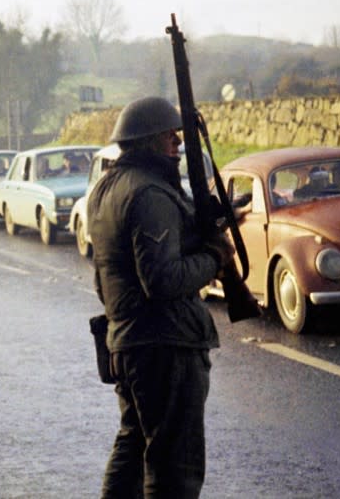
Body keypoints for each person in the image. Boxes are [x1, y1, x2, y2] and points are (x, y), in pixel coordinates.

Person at [88, 96, 232, 498]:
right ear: (147, 139)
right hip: (166, 345)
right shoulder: (148, 193)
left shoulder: (106, 189)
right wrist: (213, 257)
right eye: (169, 135)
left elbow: (103, 279)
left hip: (129, 341)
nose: (177, 142)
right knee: (175, 469)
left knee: (133, 451)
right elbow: (163, 280)